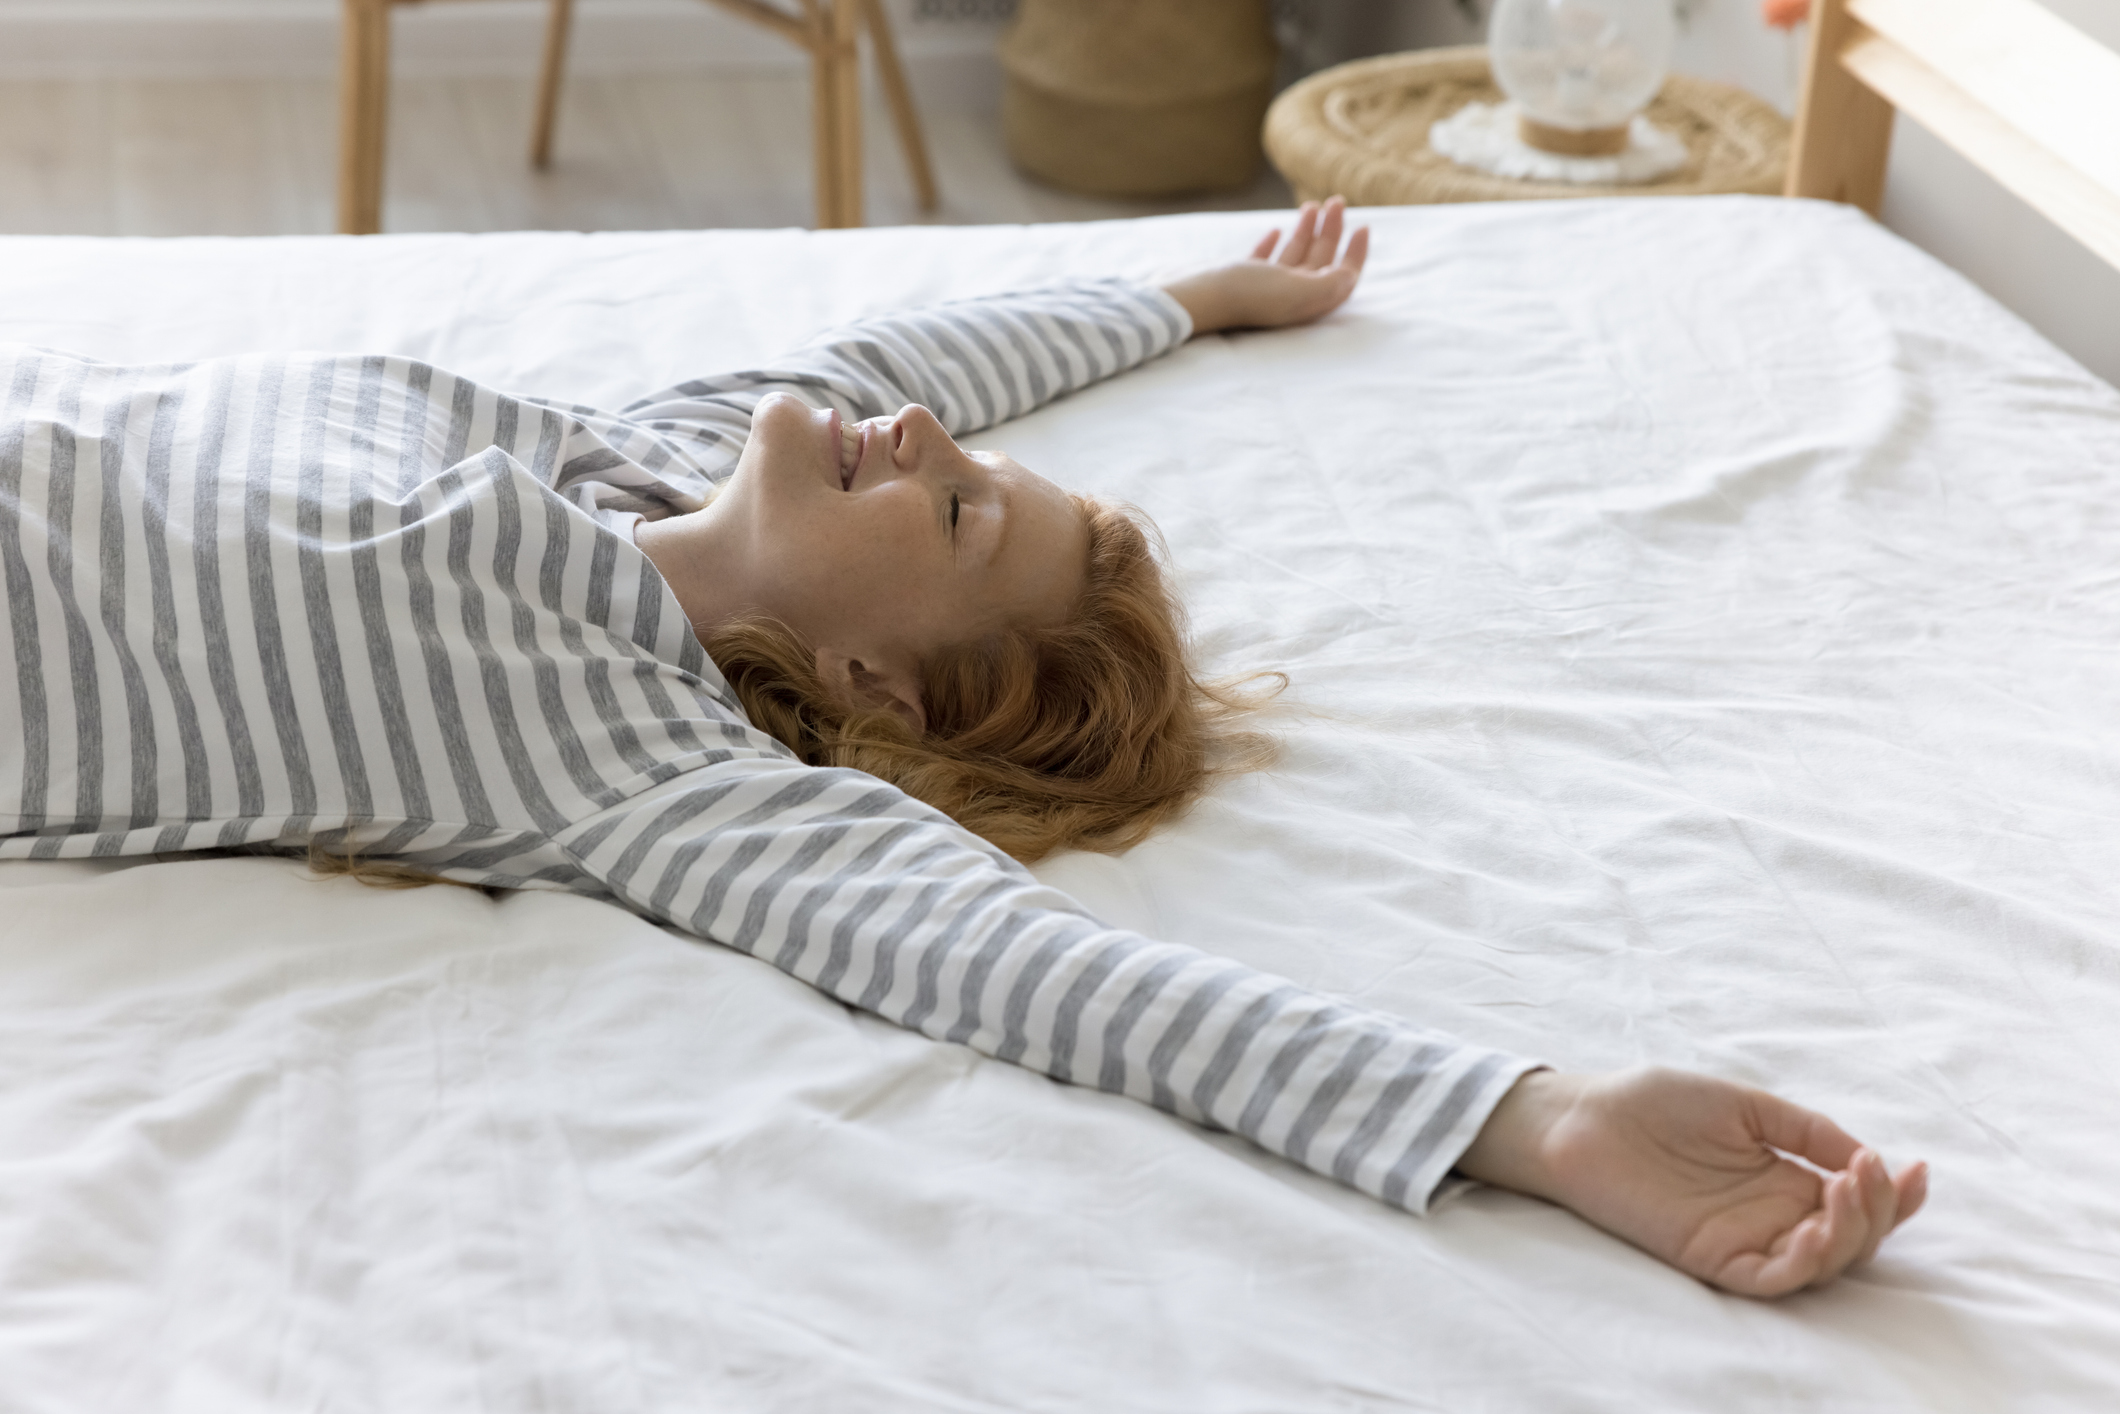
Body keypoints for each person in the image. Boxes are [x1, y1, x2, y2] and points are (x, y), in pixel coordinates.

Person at [0, 198, 1922, 1299]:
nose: (918, 434)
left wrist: (1539, 1115)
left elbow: (1034, 968)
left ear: (881, 689)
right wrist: (1193, 296)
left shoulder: (624, 747)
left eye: (963, 515)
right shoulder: (621, 449)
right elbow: (902, 355)